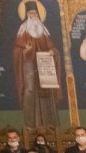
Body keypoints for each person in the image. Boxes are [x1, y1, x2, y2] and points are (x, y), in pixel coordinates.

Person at [14, 0, 62, 128]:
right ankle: (30, 124)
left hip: (43, 63)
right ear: (27, 14)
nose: (33, 15)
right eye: (30, 13)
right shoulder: (23, 30)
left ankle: (50, 123)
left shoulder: (43, 30)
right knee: (29, 91)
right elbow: (17, 50)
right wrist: (25, 50)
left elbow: (51, 46)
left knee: (47, 90)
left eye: (35, 12)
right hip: (28, 65)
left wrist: (52, 51)